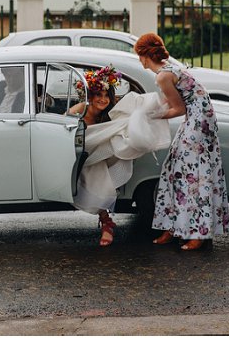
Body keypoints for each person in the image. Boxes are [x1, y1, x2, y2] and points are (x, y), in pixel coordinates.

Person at [134, 32, 229, 251]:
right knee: (173, 170)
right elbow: (174, 102)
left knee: (192, 176)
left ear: (144, 55)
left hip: (198, 122)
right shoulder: (167, 68)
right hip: (198, 119)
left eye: (139, 55)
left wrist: (150, 116)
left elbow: (178, 108)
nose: (139, 60)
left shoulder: (163, 76)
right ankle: (174, 227)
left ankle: (199, 233)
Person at [68, 65, 171, 247]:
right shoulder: (78, 111)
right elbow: (65, 132)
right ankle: (106, 221)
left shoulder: (109, 115)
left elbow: (112, 131)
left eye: (106, 96)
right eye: (98, 95)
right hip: (78, 157)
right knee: (93, 169)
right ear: (89, 96)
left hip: (99, 157)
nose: (103, 99)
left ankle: (106, 221)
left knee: (97, 167)